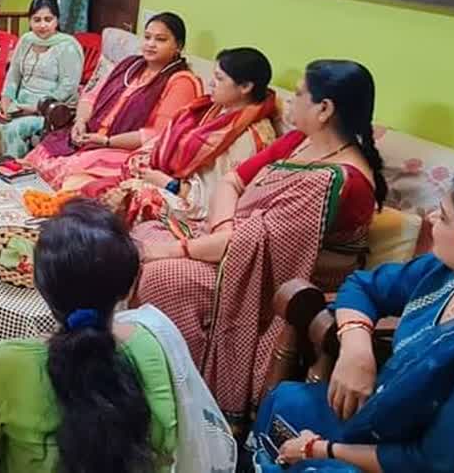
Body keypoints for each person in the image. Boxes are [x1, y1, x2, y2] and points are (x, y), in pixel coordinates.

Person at [133, 59, 384, 429]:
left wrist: (185, 248)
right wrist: (224, 227)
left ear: (325, 109)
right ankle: (142, 372)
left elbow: (260, 249)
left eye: (299, 94)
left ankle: (185, 399)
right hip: (233, 245)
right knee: (142, 232)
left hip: (276, 280)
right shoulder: (300, 141)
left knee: (163, 276)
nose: (289, 101)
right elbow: (231, 182)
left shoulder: (341, 180)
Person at [251, 165, 454, 473]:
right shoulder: (448, 273)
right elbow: (363, 286)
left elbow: (432, 463)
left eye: (445, 217)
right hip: (382, 415)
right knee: (287, 400)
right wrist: (356, 350)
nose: (431, 219)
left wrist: (320, 449)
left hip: (406, 456)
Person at [0, 200, 236, 473]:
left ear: (41, 287)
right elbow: (165, 445)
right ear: (128, 287)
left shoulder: (7, 364)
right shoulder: (151, 344)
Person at [83, 47, 277, 228]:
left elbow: (216, 197)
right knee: (93, 189)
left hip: (191, 202)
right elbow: (167, 140)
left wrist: (168, 183)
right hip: (168, 178)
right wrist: (146, 160)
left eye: (219, 79)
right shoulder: (212, 108)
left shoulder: (249, 135)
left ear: (245, 87)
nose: (211, 83)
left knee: (126, 200)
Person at [24, 12, 203, 190]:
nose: (150, 44)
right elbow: (91, 96)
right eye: (147, 37)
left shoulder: (181, 82)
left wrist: (106, 141)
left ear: (178, 46)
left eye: (161, 39)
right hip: (92, 136)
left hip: (127, 151)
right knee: (39, 155)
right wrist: (80, 122)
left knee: (68, 169)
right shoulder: (130, 65)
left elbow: (157, 135)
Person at [0, 0, 84, 158]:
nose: (42, 25)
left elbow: (68, 88)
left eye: (48, 19)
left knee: (12, 128)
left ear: (56, 20)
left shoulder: (67, 46)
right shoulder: (26, 40)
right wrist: (6, 101)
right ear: (30, 21)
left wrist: (34, 108)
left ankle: (14, 170)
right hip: (20, 103)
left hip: (49, 109)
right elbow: (14, 74)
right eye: (37, 20)